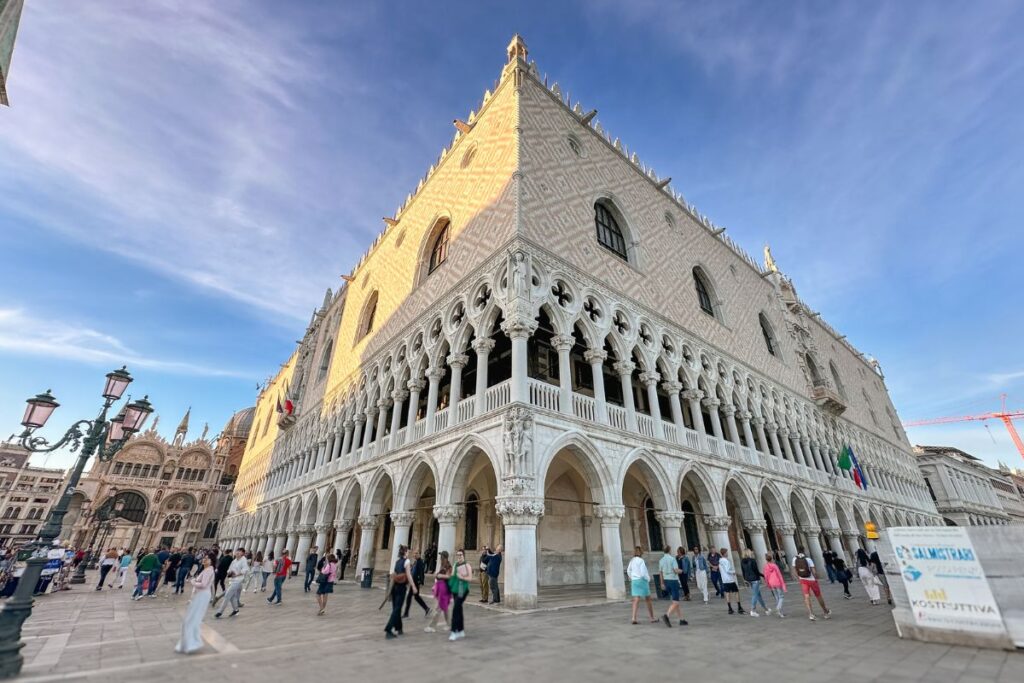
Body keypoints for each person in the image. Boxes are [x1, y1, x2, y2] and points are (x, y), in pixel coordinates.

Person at [175, 553, 215, 655]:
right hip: (202, 595)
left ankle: (191, 643)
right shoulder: (207, 570)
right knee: (192, 620)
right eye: (204, 558)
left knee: (192, 620)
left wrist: (193, 581)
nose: (204, 560)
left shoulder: (208, 571)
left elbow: (204, 585)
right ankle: (190, 643)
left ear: (211, 561)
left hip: (202, 595)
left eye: (207, 559)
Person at [385, 545, 417, 639]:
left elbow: (395, 574)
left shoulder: (397, 562)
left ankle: (399, 628)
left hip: (395, 587)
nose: (408, 552)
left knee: (396, 608)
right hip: (401, 587)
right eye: (407, 551)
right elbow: (409, 575)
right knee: (397, 609)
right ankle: (388, 629)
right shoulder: (406, 561)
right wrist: (413, 586)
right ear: (405, 552)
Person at [792, 549, 830, 621]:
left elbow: (794, 570)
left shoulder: (794, 559)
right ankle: (825, 612)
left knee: (806, 597)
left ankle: (811, 614)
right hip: (811, 580)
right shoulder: (808, 559)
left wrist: (799, 577)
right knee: (818, 595)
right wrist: (816, 577)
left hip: (802, 580)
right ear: (804, 551)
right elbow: (814, 572)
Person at [215, 548, 248, 618]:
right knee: (232, 596)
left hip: (238, 581)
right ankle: (236, 610)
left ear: (242, 553)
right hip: (233, 580)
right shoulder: (234, 561)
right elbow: (229, 569)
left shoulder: (243, 560)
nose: (237, 553)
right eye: (237, 551)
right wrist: (229, 572)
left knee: (227, 595)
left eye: (240, 552)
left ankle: (220, 612)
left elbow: (245, 570)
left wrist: (237, 574)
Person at [627, 546, 657, 625]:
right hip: (642, 580)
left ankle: (633, 617)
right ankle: (652, 617)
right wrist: (648, 579)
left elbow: (628, 570)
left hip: (634, 581)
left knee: (636, 599)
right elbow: (643, 572)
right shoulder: (641, 560)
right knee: (648, 599)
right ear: (641, 552)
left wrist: (632, 577)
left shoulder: (632, 561)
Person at [658, 546, 686, 627]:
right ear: (670, 550)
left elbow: (660, 573)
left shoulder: (661, 560)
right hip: (673, 581)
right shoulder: (672, 559)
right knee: (676, 601)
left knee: (675, 601)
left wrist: (661, 583)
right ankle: (667, 615)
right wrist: (682, 571)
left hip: (666, 581)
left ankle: (681, 619)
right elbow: (675, 570)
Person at [425, 550, 452, 633]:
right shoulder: (442, 565)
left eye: (441, 557)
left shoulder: (448, 566)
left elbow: (449, 576)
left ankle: (432, 626)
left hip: (445, 588)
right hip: (441, 587)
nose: (440, 558)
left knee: (439, 608)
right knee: (445, 608)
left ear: (445, 557)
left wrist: (440, 575)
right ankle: (449, 625)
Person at [448, 549, 473, 641]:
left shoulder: (467, 565)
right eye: (457, 555)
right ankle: (461, 630)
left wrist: (461, 576)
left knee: (455, 609)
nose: (459, 556)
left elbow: (470, 578)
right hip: (455, 589)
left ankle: (454, 631)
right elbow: (452, 576)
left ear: (464, 555)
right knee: (459, 608)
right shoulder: (455, 564)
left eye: (461, 555)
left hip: (463, 589)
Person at [403, 548, 431, 618]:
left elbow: (421, 572)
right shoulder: (416, 562)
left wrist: (420, 581)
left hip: (416, 582)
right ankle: (426, 609)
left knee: (410, 597)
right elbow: (413, 571)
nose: (415, 555)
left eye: (417, 553)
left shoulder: (420, 562)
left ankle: (406, 613)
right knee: (416, 597)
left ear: (419, 554)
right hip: (414, 581)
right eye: (414, 553)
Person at [718, 548, 745, 615]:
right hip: (730, 579)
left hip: (724, 580)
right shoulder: (726, 561)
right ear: (724, 553)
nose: (727, 553)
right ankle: (739, 607)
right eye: (727, 552)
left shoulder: (720, 561)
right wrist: (733, 572)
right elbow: (727, 570)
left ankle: (730, 608)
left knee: (727, 593)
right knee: (736, 592)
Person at [741, 548, 766, 616]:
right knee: (755, 595)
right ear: (749, 553)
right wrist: (763, 575)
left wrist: (745, 579)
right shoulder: (752, 560)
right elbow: (756, 571)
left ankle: (766, 609)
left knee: (758, 594)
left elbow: (743, 571)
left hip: (748, 579)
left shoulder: (742, 561)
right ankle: (752, 610)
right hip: (755, 579)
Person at [763, 552, 786, 618]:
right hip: (777, 582)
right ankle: (778, 608)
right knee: (781, 597)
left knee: (777, 597)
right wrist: (783, 585)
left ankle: (780, 613)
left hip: (771, 583)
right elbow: (779, 575)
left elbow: (766, 577)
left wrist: (768, 584)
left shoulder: (765, 567)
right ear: (772, 558)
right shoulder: (775, 565)